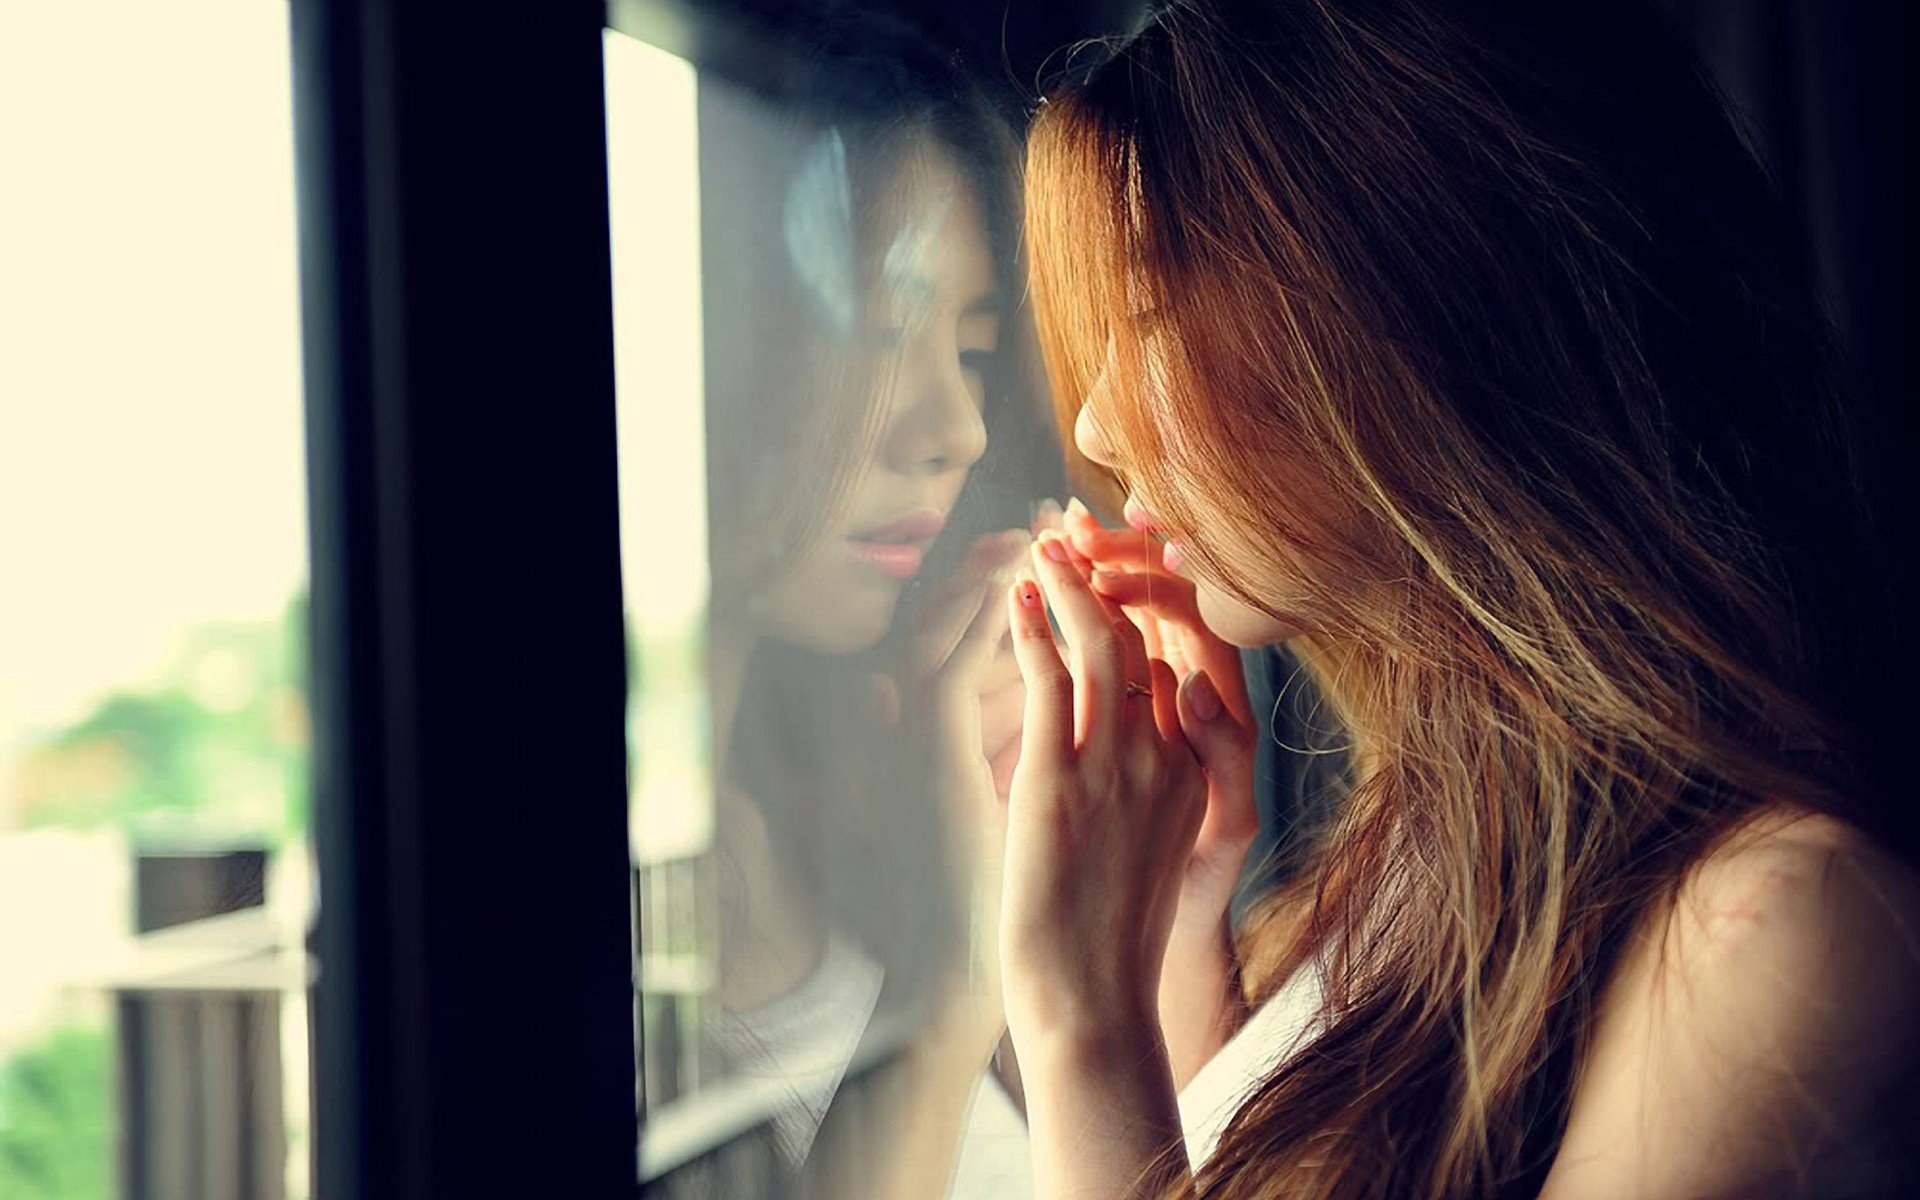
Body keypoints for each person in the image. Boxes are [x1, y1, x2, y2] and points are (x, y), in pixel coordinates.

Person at [971, 1, 1920, 1197]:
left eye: (1149, 313)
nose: (1101, 425)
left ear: (1422, 303)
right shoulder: (1406, 886)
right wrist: (1178, 921)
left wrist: (1075, 1021)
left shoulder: (1779, 932)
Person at [627, 14, 1059, 1197]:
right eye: (877, 336)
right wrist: (947, 980)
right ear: (703, 327)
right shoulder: (548, 916)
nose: (956, 429)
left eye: (970, 353)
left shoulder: (827, 828)